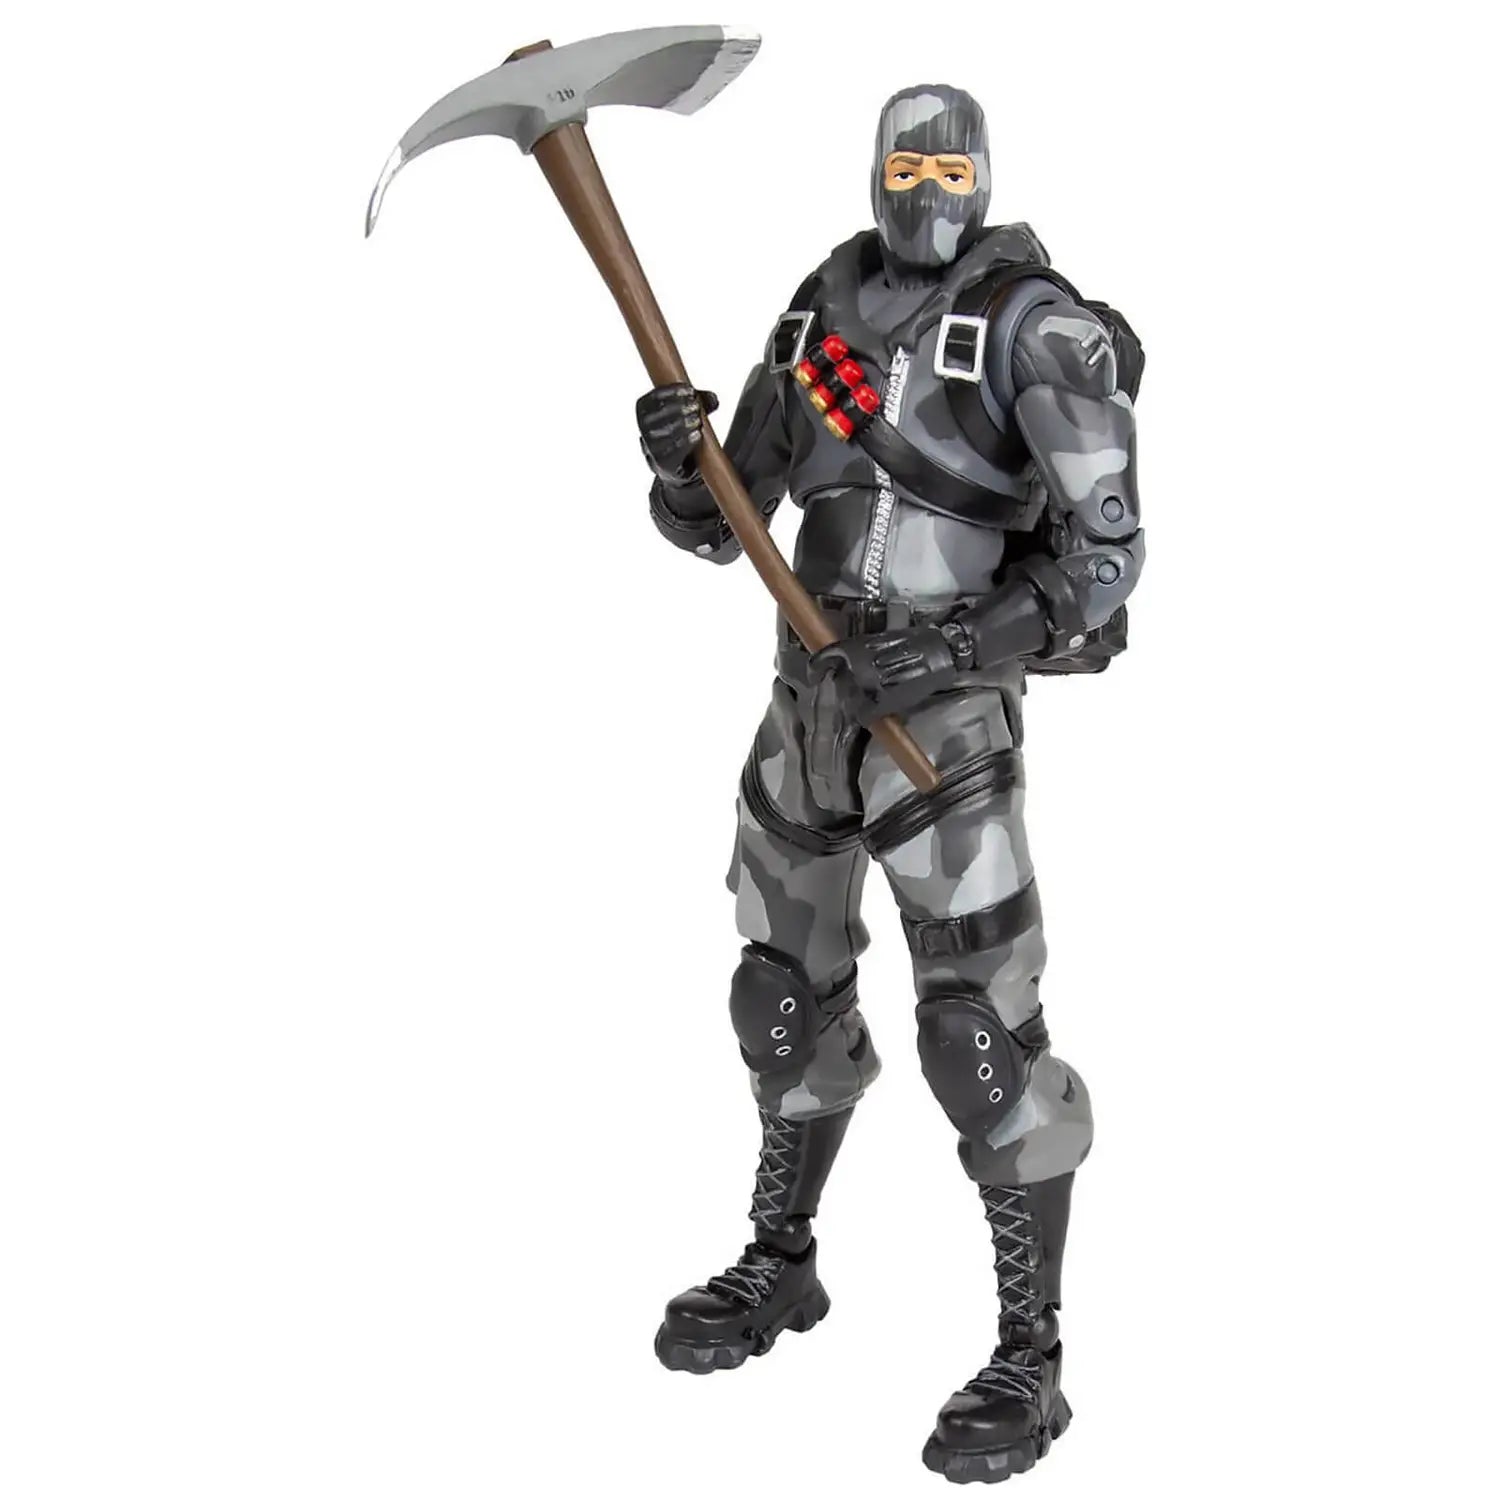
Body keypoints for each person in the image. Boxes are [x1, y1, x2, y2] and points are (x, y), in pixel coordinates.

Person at [636, 82, 1144, 1484]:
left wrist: (958, 646)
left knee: (980, 1037)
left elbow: (1106, 563)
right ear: (875, 174)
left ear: (982, 178)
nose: (926, 191)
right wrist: (680, 468)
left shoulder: (1038, 327)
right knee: (778, 999)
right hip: (807, 712)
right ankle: (781, 1258)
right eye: (904, 168)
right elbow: (726, 520)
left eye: (948, 169)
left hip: (945, 730)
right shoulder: (820, 320)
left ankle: (1031, 1354)